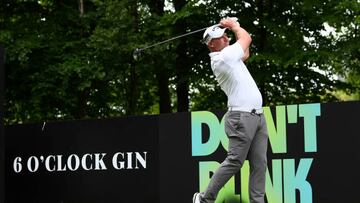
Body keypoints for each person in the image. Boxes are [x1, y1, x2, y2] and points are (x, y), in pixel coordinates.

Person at [193, 17, 269, 203]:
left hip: (257, 116)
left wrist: (235, 27)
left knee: (260, 164)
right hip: (241, 118)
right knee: (235, 161)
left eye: (226, 35)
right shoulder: (223, 58)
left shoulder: (230, 56)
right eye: (221, 37)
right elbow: (246, 40)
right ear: (211, 44)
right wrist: (235, 26)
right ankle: (204, 198)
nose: (226, 38)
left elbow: (245, 52)